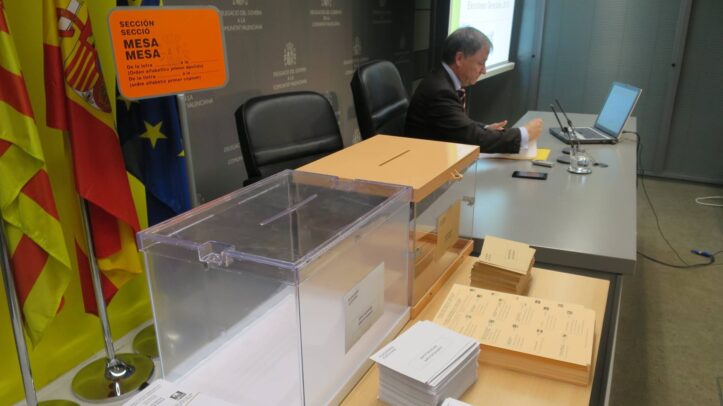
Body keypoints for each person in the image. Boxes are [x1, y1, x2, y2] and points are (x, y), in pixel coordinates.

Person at [405, 27, 543, 153]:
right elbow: (470, 138)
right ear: (459, 59)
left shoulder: (444, 79)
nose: (484, 71)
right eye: (481, 63)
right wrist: (524, 134)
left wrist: (485, 129)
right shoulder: (440, 91)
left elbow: (460, 125)